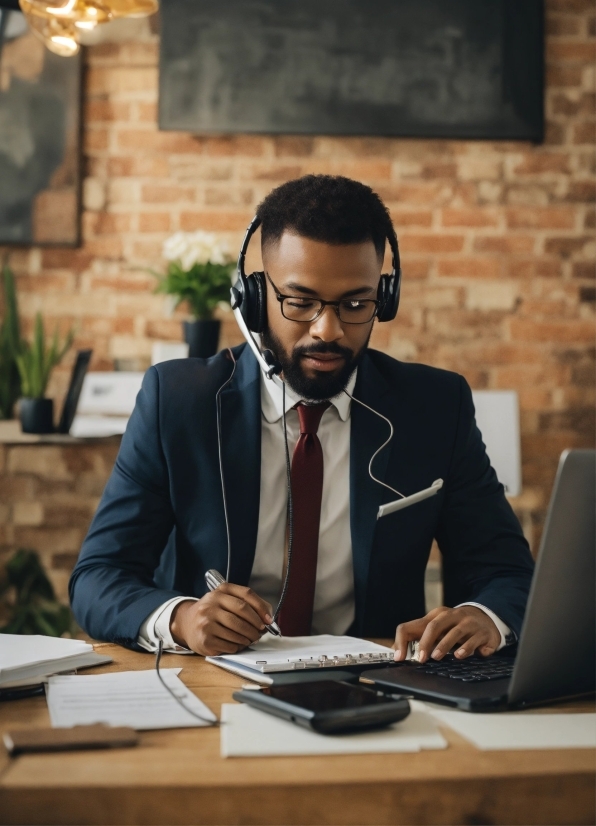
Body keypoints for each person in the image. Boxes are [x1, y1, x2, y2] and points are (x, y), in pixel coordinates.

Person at [70, 175, 534, 665]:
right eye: (300, 302)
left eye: (356, 304)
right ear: (254, 296)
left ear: (386, 298)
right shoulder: (178, 401)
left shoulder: (437, 406)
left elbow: (507, 573)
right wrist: (182, 619)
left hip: (379, 683)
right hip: (214, 683)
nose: (327, 330)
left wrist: (486, 615)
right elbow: (99, 576)